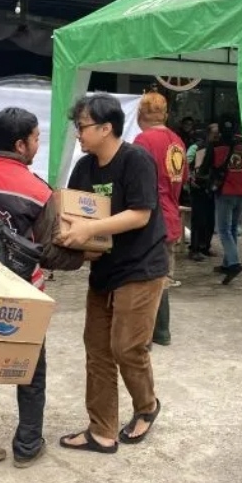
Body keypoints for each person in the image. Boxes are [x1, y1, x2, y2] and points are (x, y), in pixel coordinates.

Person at [0, 107, 82, 468]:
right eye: (37, 138)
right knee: (31, 369)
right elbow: (51, 250)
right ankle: (27, 445)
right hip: (23, 294)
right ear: (21, 144)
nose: (38, 144)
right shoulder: (40, 192)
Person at [56, 93, 167, 454]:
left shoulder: (136, 160)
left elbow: (141, 213)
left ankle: (147, 406)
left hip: (141, 266)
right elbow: (74, 213)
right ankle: (102, 429)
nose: (78, 134)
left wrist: (90, 230)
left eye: (82, 127)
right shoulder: (84, 168)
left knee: (126, 347)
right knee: (98, 350)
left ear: (106, 128)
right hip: (104, 267)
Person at [133, 91, 187, 347]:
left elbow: (136, 183)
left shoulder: (143, 141)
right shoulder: (177, 142)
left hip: (150, 219)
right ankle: (162, 330)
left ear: (140, 114)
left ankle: (145, 336)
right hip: (172, 218)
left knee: (145, 278)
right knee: (163, 275)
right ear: (165, 115)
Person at [212, 117, 242, 285]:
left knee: (224, 230)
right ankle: (227, 263)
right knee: (233, 228)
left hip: (226, 192)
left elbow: (212, 168)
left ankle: (234, 263)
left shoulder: (219, 148)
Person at [187, 123, 220, 261]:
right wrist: (190, 178)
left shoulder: (217, 147)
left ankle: (205, 246)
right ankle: (194, 249)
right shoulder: (197, 147)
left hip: (210, 187)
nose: (217, 135)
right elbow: (186, 163)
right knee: (198, 219)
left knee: (209, 219)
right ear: (208, 133)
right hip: (198, 187)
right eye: (215, 133)